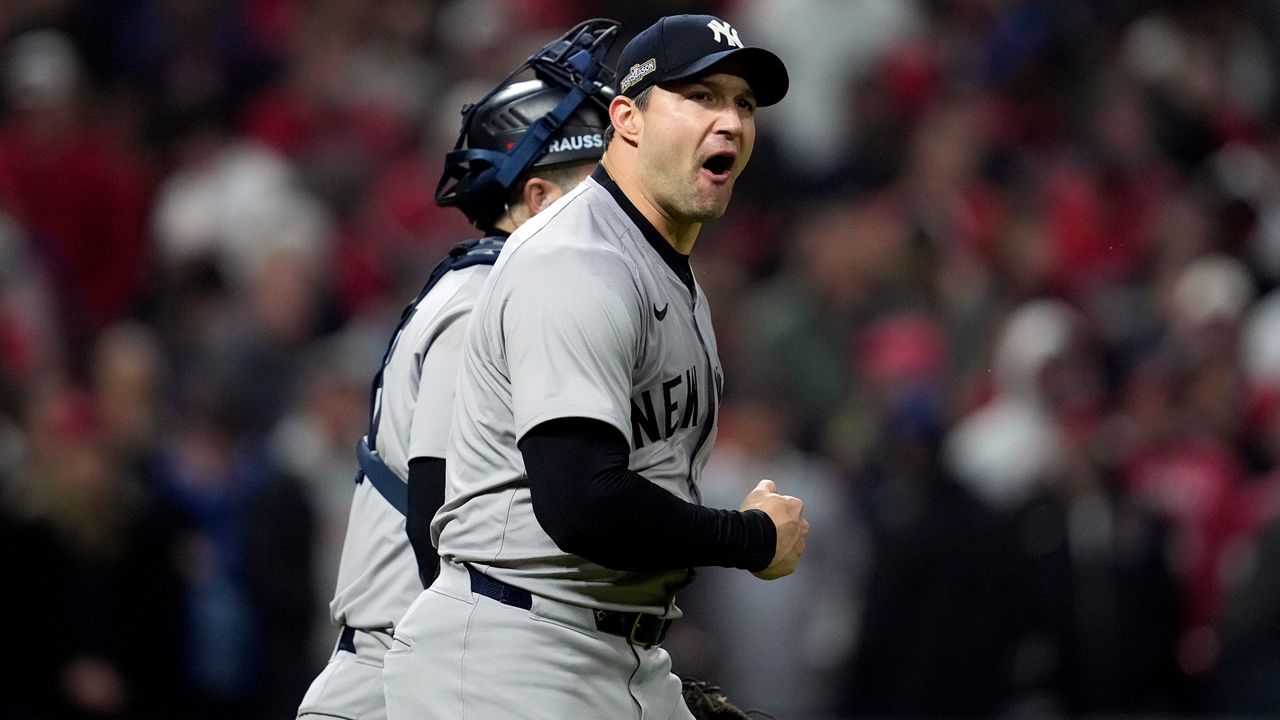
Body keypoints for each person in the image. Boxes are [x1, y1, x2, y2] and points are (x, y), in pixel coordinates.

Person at [383, 14, 808, 719]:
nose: (730, 120)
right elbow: (582, 502)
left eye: (743, 102)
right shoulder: (577, 259)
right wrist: (751, 538)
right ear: (626, 118)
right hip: (510, 652)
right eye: (699, 96)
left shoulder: (662, 269)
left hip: (602, 649)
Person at [295, 19, 619, 720]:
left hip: (457, 673)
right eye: (597, 186)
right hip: (401, 683)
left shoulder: (536, 302)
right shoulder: (479, 302)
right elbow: (435, 519)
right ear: (536, 200)